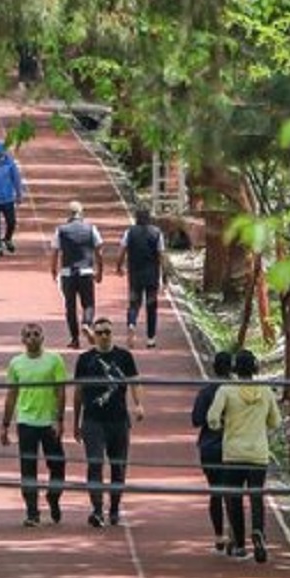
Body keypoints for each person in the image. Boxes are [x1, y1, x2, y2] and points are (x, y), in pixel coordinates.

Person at [207, 349, 280, 562]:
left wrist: (221, 425)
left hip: (233, 453)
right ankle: (258, 530)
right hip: (258, 453)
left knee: (234, 498)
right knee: (256, 495)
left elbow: (212, 418)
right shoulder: (265, 391)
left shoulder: (226, 390)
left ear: (235, 369)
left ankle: (239, 544)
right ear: (255, 368)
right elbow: (275, 421)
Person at [72, 318, 143, 527]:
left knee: (118, 467)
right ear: (94, 335)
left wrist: (139, 404)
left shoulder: (124, 357)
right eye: (100, 332)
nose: (104, 336)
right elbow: (78, 392)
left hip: (118, 420)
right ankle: (96, 509)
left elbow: (135, 382)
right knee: (95, 464)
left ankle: (114, 509)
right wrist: (75, 422)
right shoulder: (85, 360)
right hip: (93, 421)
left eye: (107, 332)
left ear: (112, 334)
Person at [0, 322, 68, 527]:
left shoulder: (54, 360)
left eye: (36, 334)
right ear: (22, 340)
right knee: (28, 468)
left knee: (58, 464)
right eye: (28, 335)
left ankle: (53, 497)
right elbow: (11, 395)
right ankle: (32, 512)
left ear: (42, 338)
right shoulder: (16, 363)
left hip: (49, 422)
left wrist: (59, 419)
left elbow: (61, 392)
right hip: (26, 421)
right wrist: (5, 425)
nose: (32, 338)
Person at [191, 351, 235, 554]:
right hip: (234, 447)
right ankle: (235, 534)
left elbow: (196, 420)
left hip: (210, 447)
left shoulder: (206, 392)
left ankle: (218, 536)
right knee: (233, 492)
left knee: (216, 491)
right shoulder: (238, 392)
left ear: (214, 368)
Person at [51, 201, 104, 349]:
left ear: (69, 214)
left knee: (70, 306)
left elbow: (55, 252)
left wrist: (53, 270)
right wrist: (100, 271)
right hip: (86, 271)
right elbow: (99, 251)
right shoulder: (91, 229)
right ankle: (87, 323)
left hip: (67, 273)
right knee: (88, 303)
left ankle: (74, 339)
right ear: (82, 213)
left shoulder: (60, 230)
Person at [115, 207, 166, 349]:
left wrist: (119, 266)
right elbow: (162, 255)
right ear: (149, 219)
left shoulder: (129, 232)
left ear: (136, 219)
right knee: (151, 306)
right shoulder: (157, 233)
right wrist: (165, 276)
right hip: (152, 276)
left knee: (133, 304)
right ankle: (150, 339)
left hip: (135, 275)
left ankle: (131, 323)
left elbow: (122, 251)